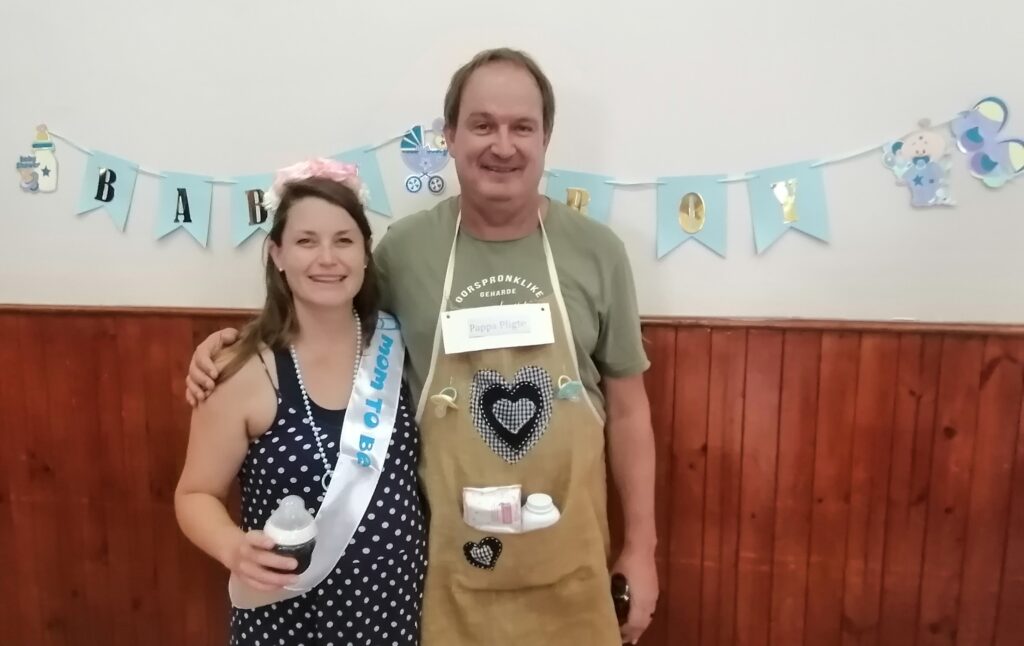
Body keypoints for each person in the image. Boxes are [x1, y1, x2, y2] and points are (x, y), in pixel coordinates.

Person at [186, 48, 658, 645]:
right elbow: (326, 314)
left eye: (522, 127)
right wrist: (232, 347)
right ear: (450, 136)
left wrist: (641, 549)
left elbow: (629, 411)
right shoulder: (405, 252)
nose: (503, 146)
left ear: (546, 139)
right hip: (445, 577)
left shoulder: (599, 252)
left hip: (571, 567)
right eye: (482, 125)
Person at [174, 159, 426, 646]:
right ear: (278, 254)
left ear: (366, 253)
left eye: (344, 240)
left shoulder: (401, 346)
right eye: (306, 241)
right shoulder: (243, 371)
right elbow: (194, 494)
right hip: (286, 624)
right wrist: (233, 548)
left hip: (394, 618)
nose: (327, 258)